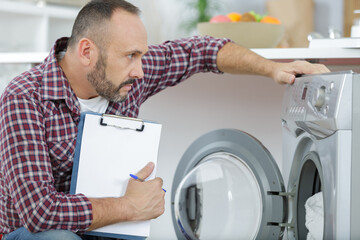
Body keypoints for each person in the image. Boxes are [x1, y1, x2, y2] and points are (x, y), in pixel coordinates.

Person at [0, 0, 329, 239]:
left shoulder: (129, 75)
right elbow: (39, 212)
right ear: (87, 52)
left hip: (104, 229)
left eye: (141, 55)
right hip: (29, 233)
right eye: (131, 56)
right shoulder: (25, 98)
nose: (140, 70)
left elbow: (202, 50)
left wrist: (272, 69)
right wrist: (130, 207)